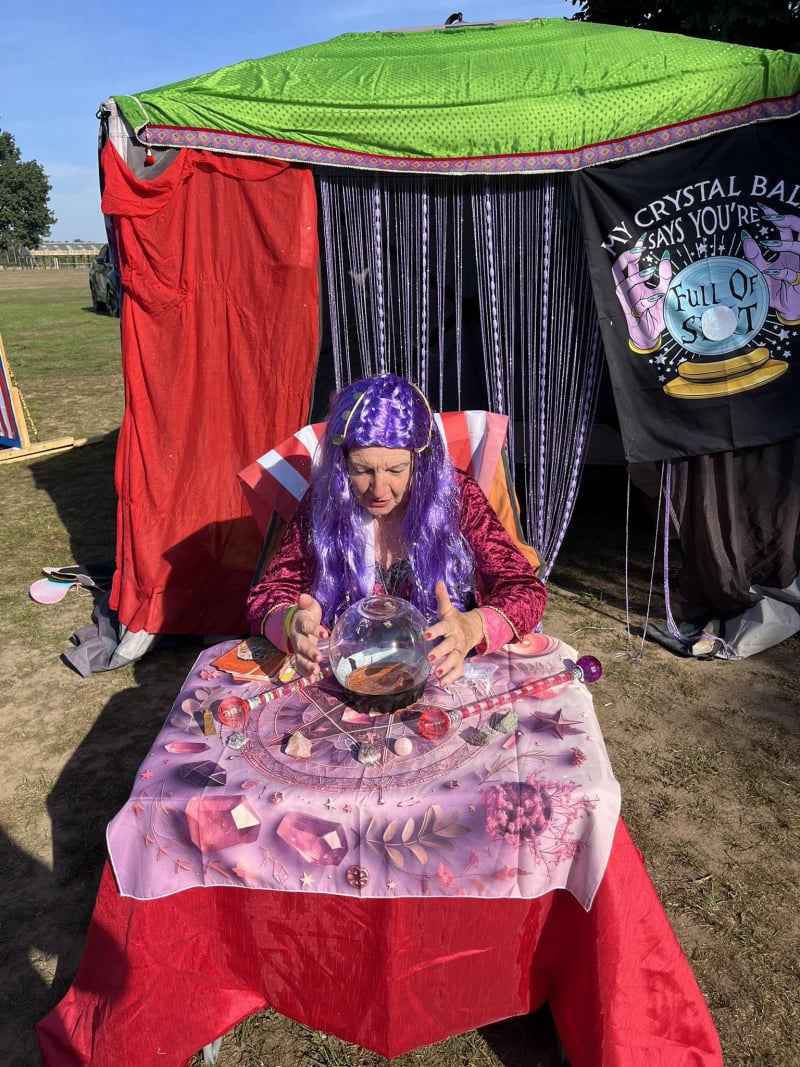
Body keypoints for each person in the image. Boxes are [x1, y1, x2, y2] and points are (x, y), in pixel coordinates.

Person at [247, 374, 547, 685]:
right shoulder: (324, 503)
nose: (379, 489)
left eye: (396, 470)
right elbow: (267, 595)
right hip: (350, 677)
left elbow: (525, 590)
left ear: (421, 462)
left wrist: (472, 627)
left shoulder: (458, 498)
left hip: (443, 671)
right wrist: (292, 622)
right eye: (362, 470)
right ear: (342, 463)